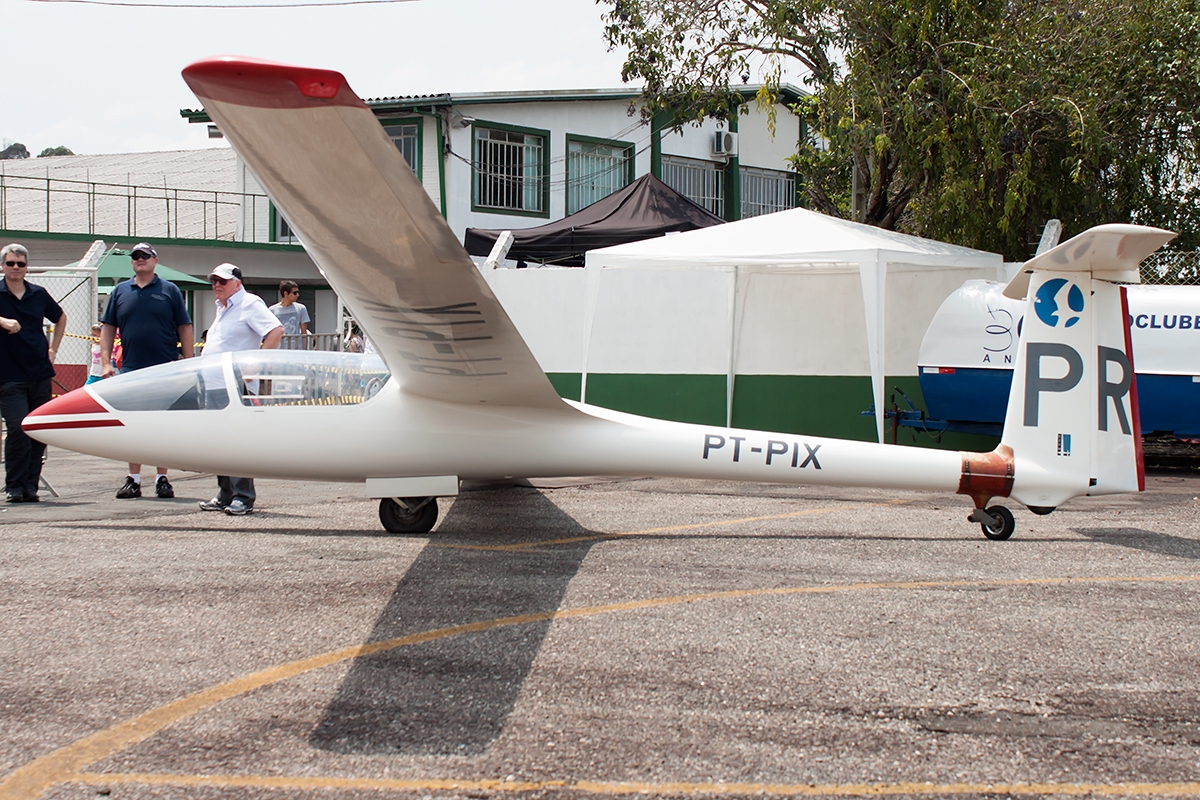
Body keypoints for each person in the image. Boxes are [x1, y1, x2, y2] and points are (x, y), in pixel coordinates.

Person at [100, 243, 194, 499]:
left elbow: (184, 326)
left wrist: (188, 361)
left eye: (145, 256)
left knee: (161, 426)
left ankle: (162, 478)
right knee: (133, 426)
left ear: (155, 260)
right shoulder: (120, 291)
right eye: (136, 257)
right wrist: (106, 363)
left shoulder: (169, 290)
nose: (140, 260)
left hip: (164, 368)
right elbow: (108, 328)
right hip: (131, 368)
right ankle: (134, 479)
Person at [198, 263, 282, 516]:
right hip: (215, 383)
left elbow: (275, 330)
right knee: (218, 442)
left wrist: (257, 363)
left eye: (222, 281)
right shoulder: (222, 307)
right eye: (213, 281)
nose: (217, 285)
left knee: (236, 440)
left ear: (237, 282)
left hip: (236, 385)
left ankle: (243, 497)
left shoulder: (249, 303)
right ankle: (225, 494)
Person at [0, 243, 66, 503]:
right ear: (3, 266)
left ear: (27, 268)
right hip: (9, 374)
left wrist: (54, 349)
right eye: (11, 263)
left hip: (38, 371)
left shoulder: (38, 294)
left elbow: (60, 317)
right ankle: (13, 485)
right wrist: (2, 320)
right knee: (17, 428)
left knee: (39, 430)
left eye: (21, 264)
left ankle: (31, 485)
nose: (16, 268)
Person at [269, 280, 310, 349]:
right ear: (286, 294)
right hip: (279, 348)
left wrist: (305, 349)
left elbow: (304, 332)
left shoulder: (301, 308)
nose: (297, 295)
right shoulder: (272, 310)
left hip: (296, 349)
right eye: (295, 293)